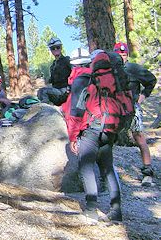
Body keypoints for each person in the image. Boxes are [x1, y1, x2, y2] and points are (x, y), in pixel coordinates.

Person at [62, 48, 123, 222]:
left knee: (86, 167)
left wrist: (73, 137)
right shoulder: (108, 78)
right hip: (109, 128)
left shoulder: (81, 79)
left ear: (75, 65)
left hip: (90, 129)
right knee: (108, 169)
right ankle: (116, 211)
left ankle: (90, 210)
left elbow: (75, 111)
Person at [114, 42, 157, 186]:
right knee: (107, 139)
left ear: (127, 55)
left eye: (124, 54)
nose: (121, 56)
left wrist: (142, 97)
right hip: (115, 110)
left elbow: (151, 80)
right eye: (119, 54)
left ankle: (147, 172)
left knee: (139, 138)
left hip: (132, 108)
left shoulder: (133, 68)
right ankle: (107, 175)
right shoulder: (111, 70)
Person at [37, 37, 71, 105]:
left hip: (65, 91)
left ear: (61, 48)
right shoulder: (52, 66)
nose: (55, 49)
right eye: (53, 48)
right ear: (51, 50)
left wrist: (70, 87)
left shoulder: (67, 60)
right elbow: (52, 80)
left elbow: (75, 73)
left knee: (43, 91)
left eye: (57, 47)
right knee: (41, 91)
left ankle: (47, 110)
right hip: (56, 90)